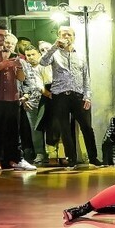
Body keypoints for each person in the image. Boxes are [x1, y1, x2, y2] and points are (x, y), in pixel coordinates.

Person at [40, 26, 101, 167]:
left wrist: (87, 96)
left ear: (74, 37)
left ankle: (93, 158)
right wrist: (55, 46)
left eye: (69, 34)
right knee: (65, 128)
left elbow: (86, 77)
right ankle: (71, 159)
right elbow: (42, 62)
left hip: (78, 95)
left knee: (87, 127)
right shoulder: (54, 53)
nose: (66, 37)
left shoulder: (80, 55)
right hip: (60, 95)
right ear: (59, 36)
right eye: (64, 34)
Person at [0, 27, 34, 171]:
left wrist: (19, 67)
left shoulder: (16, 56)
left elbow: (21, 78)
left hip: (13, 97)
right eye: (6, 41)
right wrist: (4, 64)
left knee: (13, 130)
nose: (8, 45)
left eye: (11, 43)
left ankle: (15, 158)